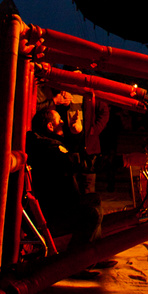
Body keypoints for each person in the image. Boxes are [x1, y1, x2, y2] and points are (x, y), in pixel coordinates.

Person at [25, 106, 104, 251]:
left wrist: (77, 134)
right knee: (92, 214)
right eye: (59, 120)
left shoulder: (44, 142)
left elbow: (69, 153)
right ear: (50, 126)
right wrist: (124, 160)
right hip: (53, 212)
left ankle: (93, 254)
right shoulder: (48, 147)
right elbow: (76, 162)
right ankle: (76, 261)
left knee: (94, 199)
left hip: (55, 204)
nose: (63, 123)